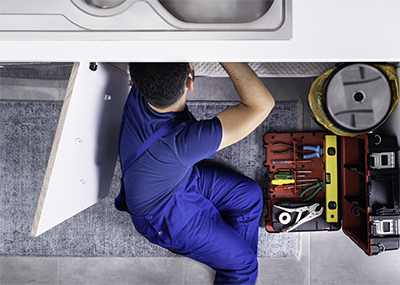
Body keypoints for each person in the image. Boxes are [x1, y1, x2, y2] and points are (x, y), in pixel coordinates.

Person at [115, 62, 275, 284]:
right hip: (162, 214)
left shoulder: (142, 89)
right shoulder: (185, 143)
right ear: (190, 83)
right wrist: (223, 51)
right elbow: (262, 105)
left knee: (249, 195)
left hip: (175, 180)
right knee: (245, 267)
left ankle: (225, 256)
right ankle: (232, 265)